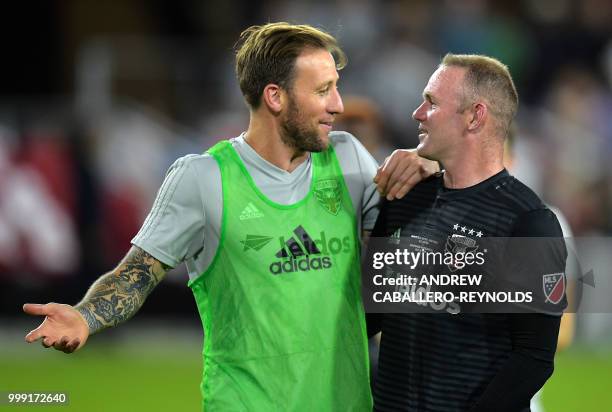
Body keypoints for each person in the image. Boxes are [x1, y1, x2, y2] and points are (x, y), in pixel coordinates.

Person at [23, 22, 436, 411]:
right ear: (275, 97)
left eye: (336, 89)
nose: (338, 105)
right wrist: (86, 315)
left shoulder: (347, 159)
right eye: (323, 90)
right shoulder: (203, 179)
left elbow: (396, 263)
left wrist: (430, 172)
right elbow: (136, 273)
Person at [368, 54, 567, 411]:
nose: (417, 113)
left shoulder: (529, 222)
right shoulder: (404, 198)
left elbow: (533, 358)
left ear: (475, 116)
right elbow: (368, 316)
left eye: (431, 102)